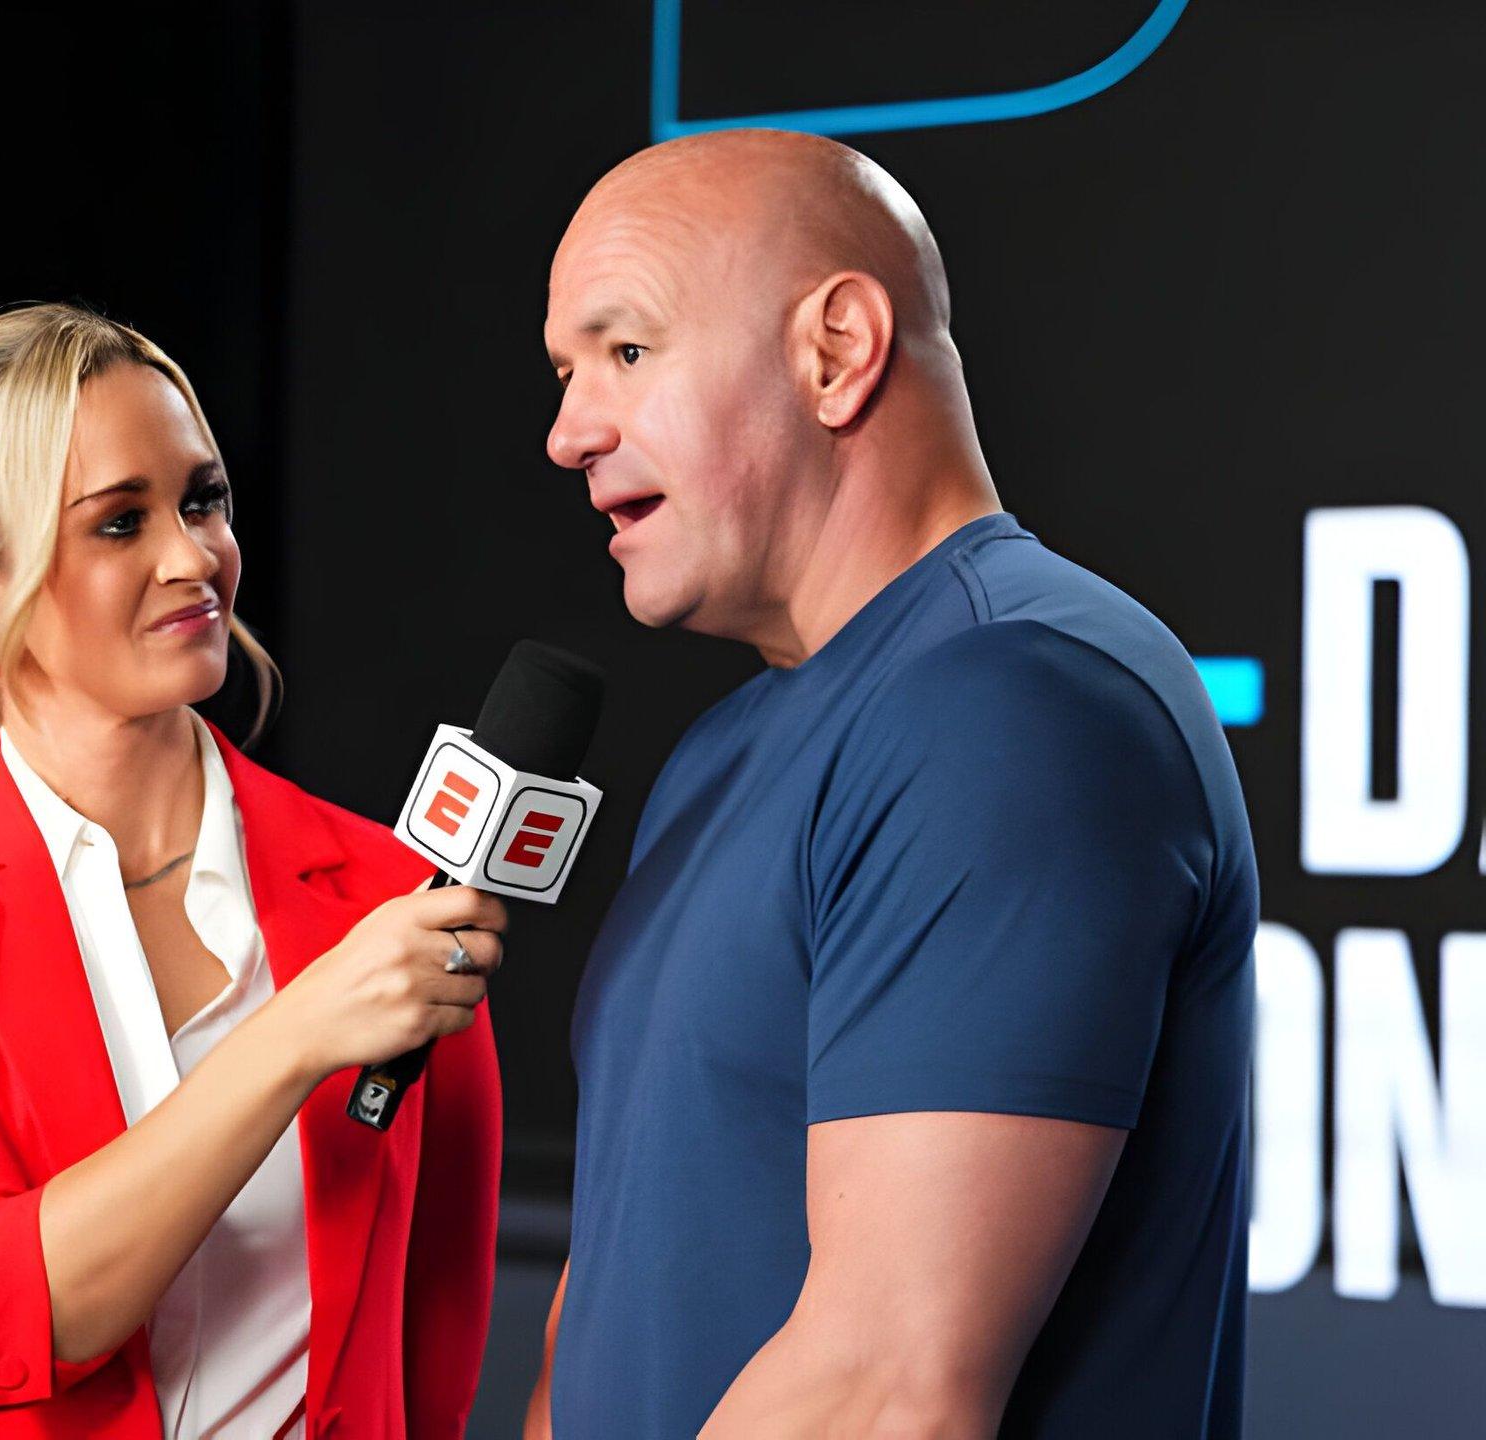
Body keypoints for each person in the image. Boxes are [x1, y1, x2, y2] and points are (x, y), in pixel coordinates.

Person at [524, 130, 1258, 1438]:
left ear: (837, 350)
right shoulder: (725, 752)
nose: (570, 431)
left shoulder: (1018, 707)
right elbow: (616, 1288)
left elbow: (886, 1391)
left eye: (625, 352)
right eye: (569, 374)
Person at [0, 302, 505, 1440]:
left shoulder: (386, 886)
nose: (193, 556)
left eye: (203, 500)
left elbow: (435, 1335)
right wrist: (296, 1034)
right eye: (119, 524)